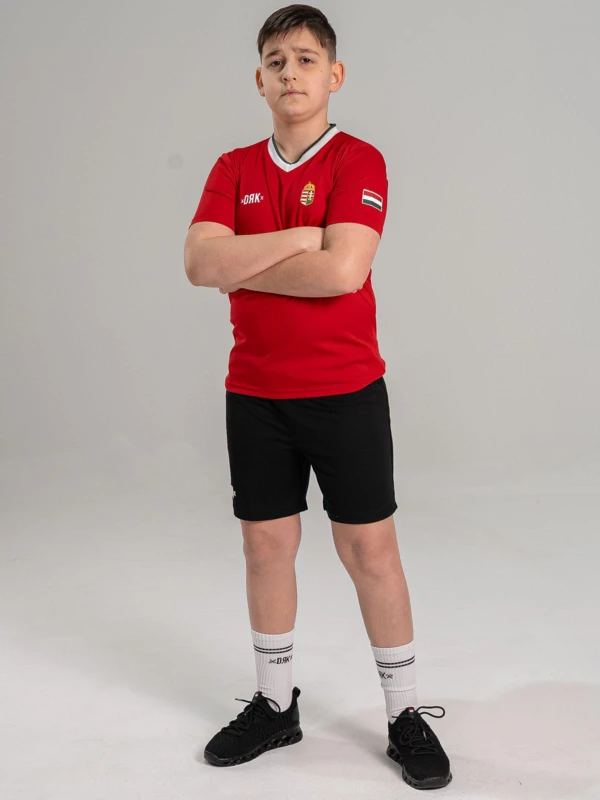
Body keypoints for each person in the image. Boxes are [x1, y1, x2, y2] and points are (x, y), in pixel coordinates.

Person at [184, 3, 452, 790]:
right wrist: (303, 238)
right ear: (258, 80)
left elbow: (343, 272)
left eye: (305, 59)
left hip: (345, 393)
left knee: (370, 552)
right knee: (265, 548)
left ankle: (405, 715)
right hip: (255, 394)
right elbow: (199, 265)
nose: (290, 72)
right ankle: (275, 705)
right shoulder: (234, 168)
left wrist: (247, 258)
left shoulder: (358, 160)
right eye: (276, 61)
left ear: (333, 75)